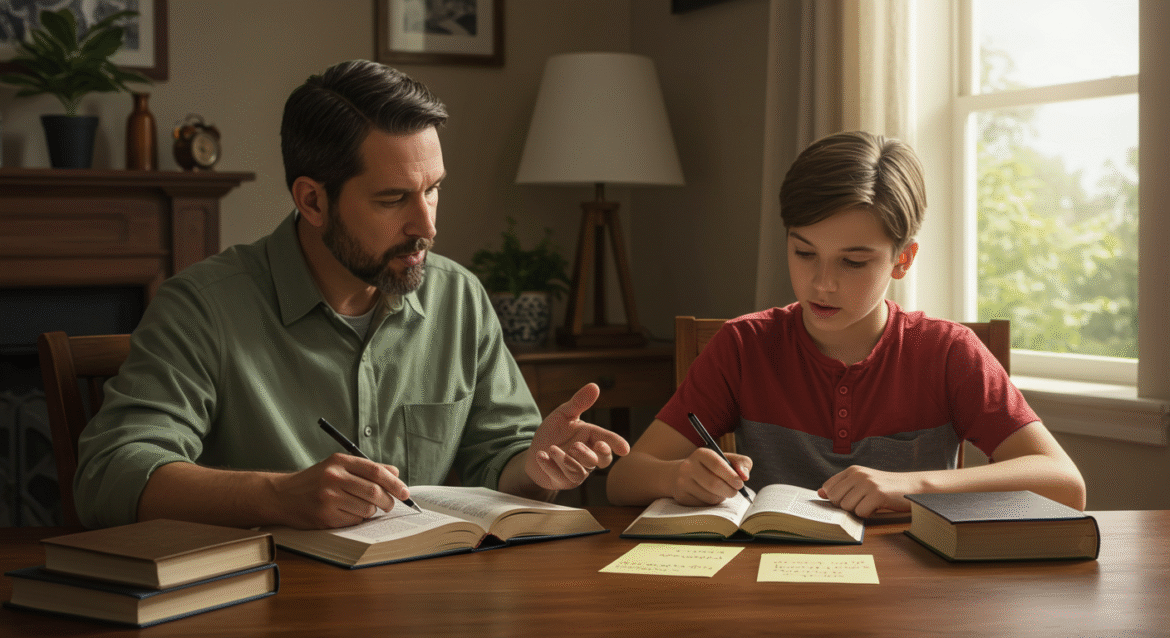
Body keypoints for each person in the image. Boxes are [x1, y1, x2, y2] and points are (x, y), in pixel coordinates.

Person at [73, 60, 629, 530]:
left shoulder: (458, 298)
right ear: (312, 201)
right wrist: (277, 496)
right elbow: (110, 473)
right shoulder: (202, 307)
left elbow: (500, 458)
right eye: (393, 200)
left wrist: (536, 467)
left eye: (432, 191)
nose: (425, 226)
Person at [606, 131, 1086, 516]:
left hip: (914, 593)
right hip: (773, 584)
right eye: (804, 252)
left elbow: (1065, 484)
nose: (821, 283)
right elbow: (623, 479)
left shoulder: (947, 353)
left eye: (853, 262)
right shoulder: (744, 345)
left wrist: (913, 486)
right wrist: (678, 477)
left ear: (903, 259)